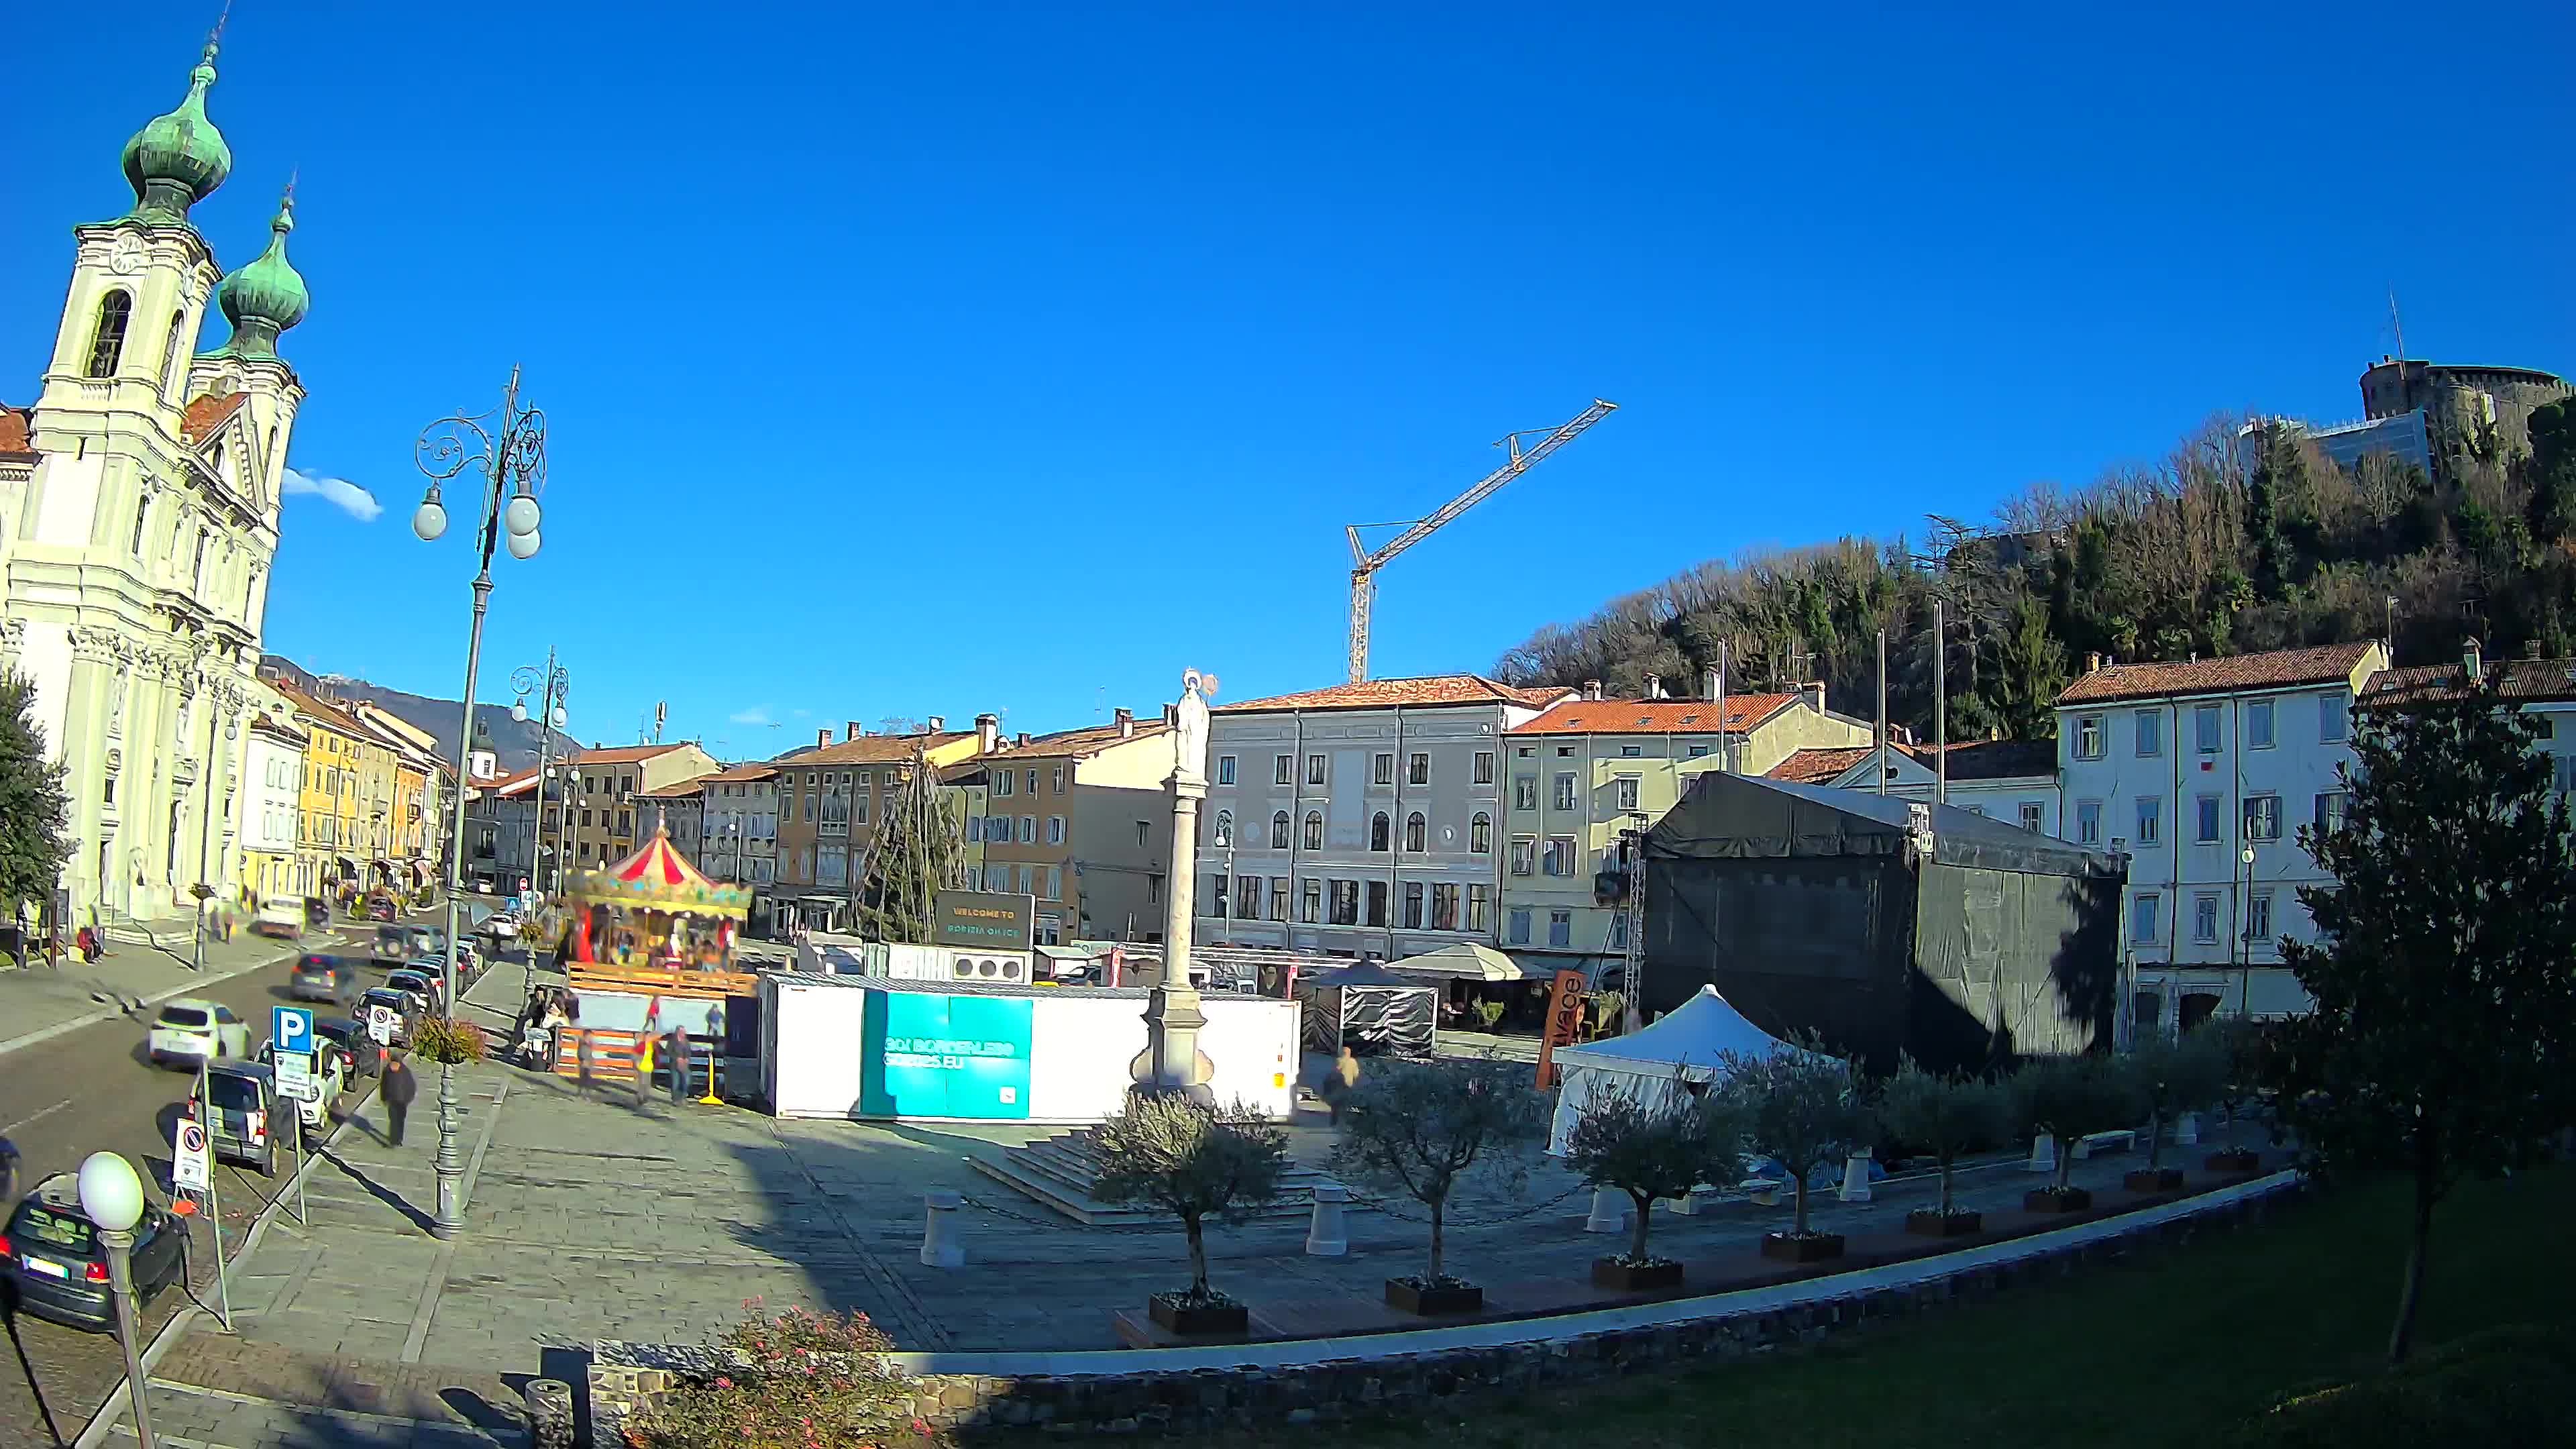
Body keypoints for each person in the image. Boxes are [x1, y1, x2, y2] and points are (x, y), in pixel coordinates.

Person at [382, 1051, 417, 1146]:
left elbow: (411, 1087)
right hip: (397, 1101)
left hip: (400, 1101)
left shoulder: (389, 1070)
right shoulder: (403, 1071)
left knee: (397, 1121)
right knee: (396, 1121)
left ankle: (396, 1139)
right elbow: (411, 1086)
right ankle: (396, 1139)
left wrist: (384, 1098)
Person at [1326, 1045, 1361, 1124]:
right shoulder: (1353, 1062)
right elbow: (1356, 1075)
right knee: (1345, 1104)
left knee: (1336, 1104)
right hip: (1348, 1085)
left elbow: (1333, 1073)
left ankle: (1334, 1121)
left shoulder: (1338, 1060)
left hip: (1337, 1085)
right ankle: (1344, 1122)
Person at [667, 1024, 691, 1106]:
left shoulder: (686, 1042)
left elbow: (688, 1052)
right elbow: (668, 1052)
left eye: (684, 1032)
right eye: (682, 1031)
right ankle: (675, 1099)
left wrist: (687, 1058)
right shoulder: (672, 1041)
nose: (684, 1033)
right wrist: (677, 1058)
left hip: (684, 1065)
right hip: (674, 1065)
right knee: (676, 1082)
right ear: (678, 1032)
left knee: (686, 1081)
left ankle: (683, 1097)